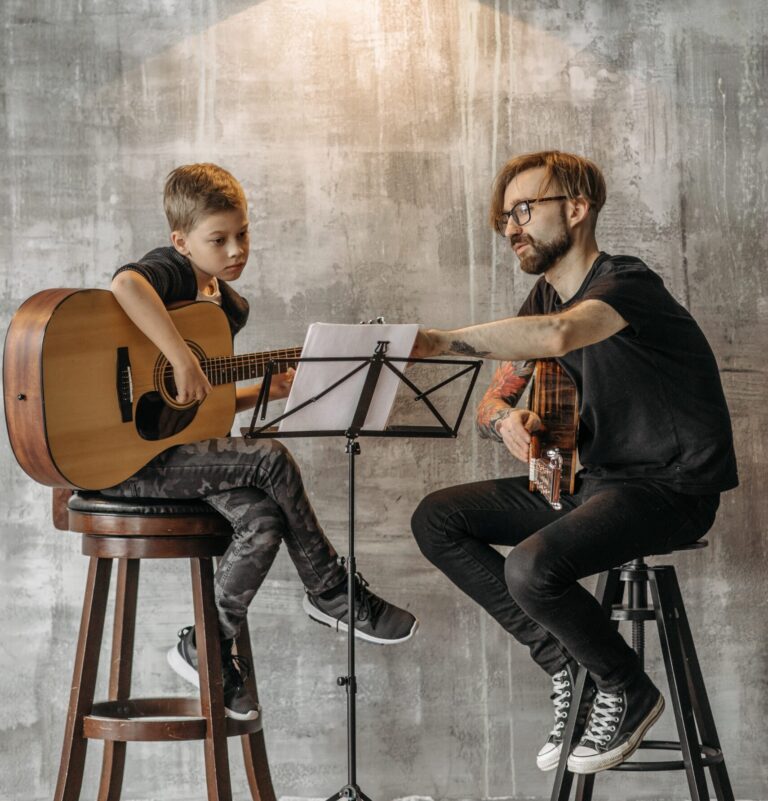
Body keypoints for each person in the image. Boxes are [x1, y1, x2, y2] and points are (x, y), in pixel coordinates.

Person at [409, 150, 737, 775]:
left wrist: (441, 341)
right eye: (506, 216)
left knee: (532, 567)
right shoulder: (541, 298)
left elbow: (559, 336)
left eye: (525, 210)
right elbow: (494, 399)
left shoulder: (627, 284)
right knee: (438, 519)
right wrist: (508, 420)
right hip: (594, 483)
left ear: (578, 209)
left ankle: (626, 687)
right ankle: (567, 661)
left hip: (669, 490)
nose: (511, 228)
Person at [104, 163, 418, 721]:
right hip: (131, 460)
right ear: (181, 241)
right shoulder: (173, 273)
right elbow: (125, 285)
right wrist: (177, 355)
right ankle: (331, 591)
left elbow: (201, 401)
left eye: (242, 234)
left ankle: (205, 645)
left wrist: (263, 391)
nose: (234, 250)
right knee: (269, 457)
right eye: (217, 239)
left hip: (183, 455)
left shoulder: (230, 308)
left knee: (265, 521)